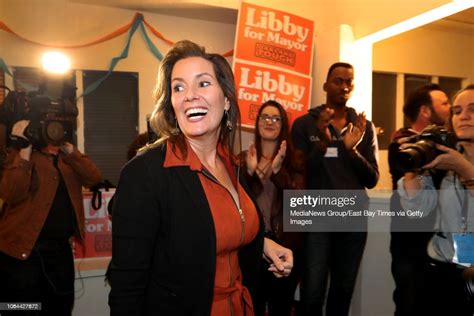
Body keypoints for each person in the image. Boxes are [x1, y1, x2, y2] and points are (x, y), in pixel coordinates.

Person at [108, 40, 293, 316]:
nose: (189, 95)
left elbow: (225, 225)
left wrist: (263, 243)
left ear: (226, 100)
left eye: (203, 83)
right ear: (172, 105)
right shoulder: (145, 174)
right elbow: (127, 288)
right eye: (178, 87)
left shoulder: (233, 165)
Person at [291, 62, 379, 316]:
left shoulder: (363, 126)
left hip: (353, 218)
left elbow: (372, 178)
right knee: (312, 292)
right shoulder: (305, 124)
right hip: (317, 217)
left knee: (343, 292)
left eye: (349, 81)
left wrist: (350, 150)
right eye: (338, 81)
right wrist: (320, 140)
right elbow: (301, 173)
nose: (344, 86)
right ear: (325, 85)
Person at [0, 120, 102, 316]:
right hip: (21, 252)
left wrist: (71, 151)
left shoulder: (68, 160)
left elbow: (94, 177)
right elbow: (11, 192)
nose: (53, 131)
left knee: (59, 307)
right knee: (20, 308)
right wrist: (24, 150)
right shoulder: (17, 155)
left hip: (59, 252)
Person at [398, 84, 474, 315]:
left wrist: (464, 170)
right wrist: (412, 166)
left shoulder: (453, 162)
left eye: (472, 109)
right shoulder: (443, 157)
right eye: (457, 111)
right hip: (442, 270)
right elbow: (417, 210)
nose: (464, 116)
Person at [388, 83, 450, 316]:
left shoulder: (448, 145)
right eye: (444, 103)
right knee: (409, 303)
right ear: (425, 110)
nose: (450, 108)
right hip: (411, 245)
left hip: (445, 244)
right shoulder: (402, 145)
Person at [242, 100, 305, 316]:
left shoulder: (295, 159)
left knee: (281, 308)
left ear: (283, 124)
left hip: (285, 246)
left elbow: (300, 204)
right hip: (253, 246)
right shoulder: (245, 159)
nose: (270, 122)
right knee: (253, 306)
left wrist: (278, 173)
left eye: (276, 118)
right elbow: (237, 203)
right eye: (265, 117)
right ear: (257, 123)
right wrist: (251, 175)